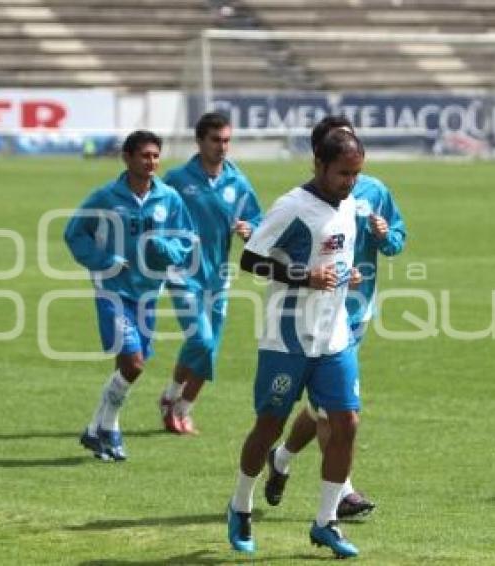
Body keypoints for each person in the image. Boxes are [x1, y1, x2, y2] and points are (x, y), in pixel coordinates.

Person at [227, 129, 365, 558]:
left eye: (356, 173)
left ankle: (326, 522)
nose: (350, 181)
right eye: (343, 173)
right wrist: (304, 278)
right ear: (319, 165)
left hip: (333, 337)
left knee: (346, 423)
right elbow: (250, 259)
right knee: (269, 426)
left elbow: (332, 257)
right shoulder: (292, 207)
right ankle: (240, 506)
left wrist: (346, 275)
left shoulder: (348, 206)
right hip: (286, 338)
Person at [263, 117, 407, 520]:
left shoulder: (374, 190)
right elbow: (269, 247)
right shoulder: (304, 202)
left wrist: (384, 234)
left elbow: (397, 240)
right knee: (335, 409)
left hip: (355, 312)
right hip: (311, 315)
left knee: (326, 406)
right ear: (321, 158)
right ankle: (342, 494)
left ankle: (283, 458)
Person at [64, 130, 197, 462]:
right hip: (113, 290)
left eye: (155, 156)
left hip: (148, 290)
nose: (150, 162)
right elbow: (74, 233)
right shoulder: (106, 197)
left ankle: (98, 430)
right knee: (134, 363)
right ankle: (108, 428)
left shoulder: (169, 198)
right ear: (127, 158)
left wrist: (164, 249)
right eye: (143, 156)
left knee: (129, 364)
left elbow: (186, 240)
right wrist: (105, 261)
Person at [156, 112, 262, 434]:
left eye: (227, 140)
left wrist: (250, 230)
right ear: (199, 141)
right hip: (183, 273)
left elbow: (260, 221)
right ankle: (171, 396)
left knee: (209, 346)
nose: (222, 147)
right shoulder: (177, 180)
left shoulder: (237, 182)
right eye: (215, 140)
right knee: (200, 340)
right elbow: (156, 215)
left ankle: (183, 408)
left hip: (219, 275)